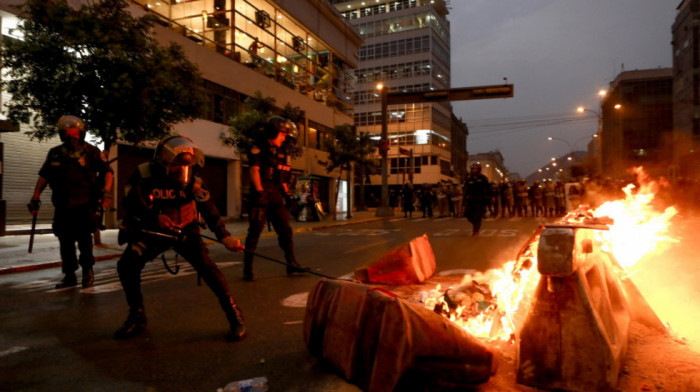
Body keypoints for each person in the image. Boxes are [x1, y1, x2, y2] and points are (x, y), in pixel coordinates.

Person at [113, 136, 246, 341]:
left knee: (208, 269)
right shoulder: (143, 174)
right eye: (177, 167)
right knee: (127, 266)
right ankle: (137, 317)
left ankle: (235, 317)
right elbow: (130, 204)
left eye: (187, 167)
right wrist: (154, 216)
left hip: (185, 230)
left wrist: (225, 237)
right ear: (162, 162)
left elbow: (209, 210)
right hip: (153, 231)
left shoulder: (195, 182)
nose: (182, 172)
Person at [28, 115, 113, 289]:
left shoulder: (91, 152)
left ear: (81, 134)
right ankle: (69, 276)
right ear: (62, 134)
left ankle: (88, 273)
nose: (72, 136)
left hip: (84, 205)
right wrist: (35, 196)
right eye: (68, 133)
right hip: (62, 206)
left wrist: (106, 191)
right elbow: (44, 175)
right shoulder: (55, 153)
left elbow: (107, 172)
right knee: (65, 242)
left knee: (84, 241)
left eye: (75, 133)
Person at [243, 116, 307, 281]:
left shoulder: (283, 151)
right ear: (273, 132)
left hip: (276, 195)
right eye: (282, 134)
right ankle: (247, 269)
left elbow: (283, 176)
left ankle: (291, 263)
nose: (285, 137)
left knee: (286, 230)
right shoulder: (259, 147)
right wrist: (259, 191)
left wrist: (288, 194)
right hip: (261, 194)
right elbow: (254, 170)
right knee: (254, 232)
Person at [463, 162, 491, 235]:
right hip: (470, 200)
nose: (475, 170)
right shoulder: (469, 179)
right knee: (467, 214)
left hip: (480, 199)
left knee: (478, 216)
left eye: (476, 169)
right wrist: (464, 200)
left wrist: (489, 198)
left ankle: (476, 230)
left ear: (479, 170)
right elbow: (465, 190)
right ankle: (474, 223)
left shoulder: (483, 178)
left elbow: (488, 189)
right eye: (473, 169)